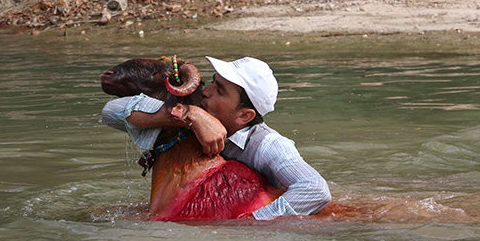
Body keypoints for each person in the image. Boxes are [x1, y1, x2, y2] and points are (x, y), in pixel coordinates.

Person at [102, 56, 331, 219]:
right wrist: (192, 115)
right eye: (212, 82)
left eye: (220, 90)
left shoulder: (269, 145)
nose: (206, 91)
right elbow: (111, 112)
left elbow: (315, 189)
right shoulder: (190, 123)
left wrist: (250, 222)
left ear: (244, 115)